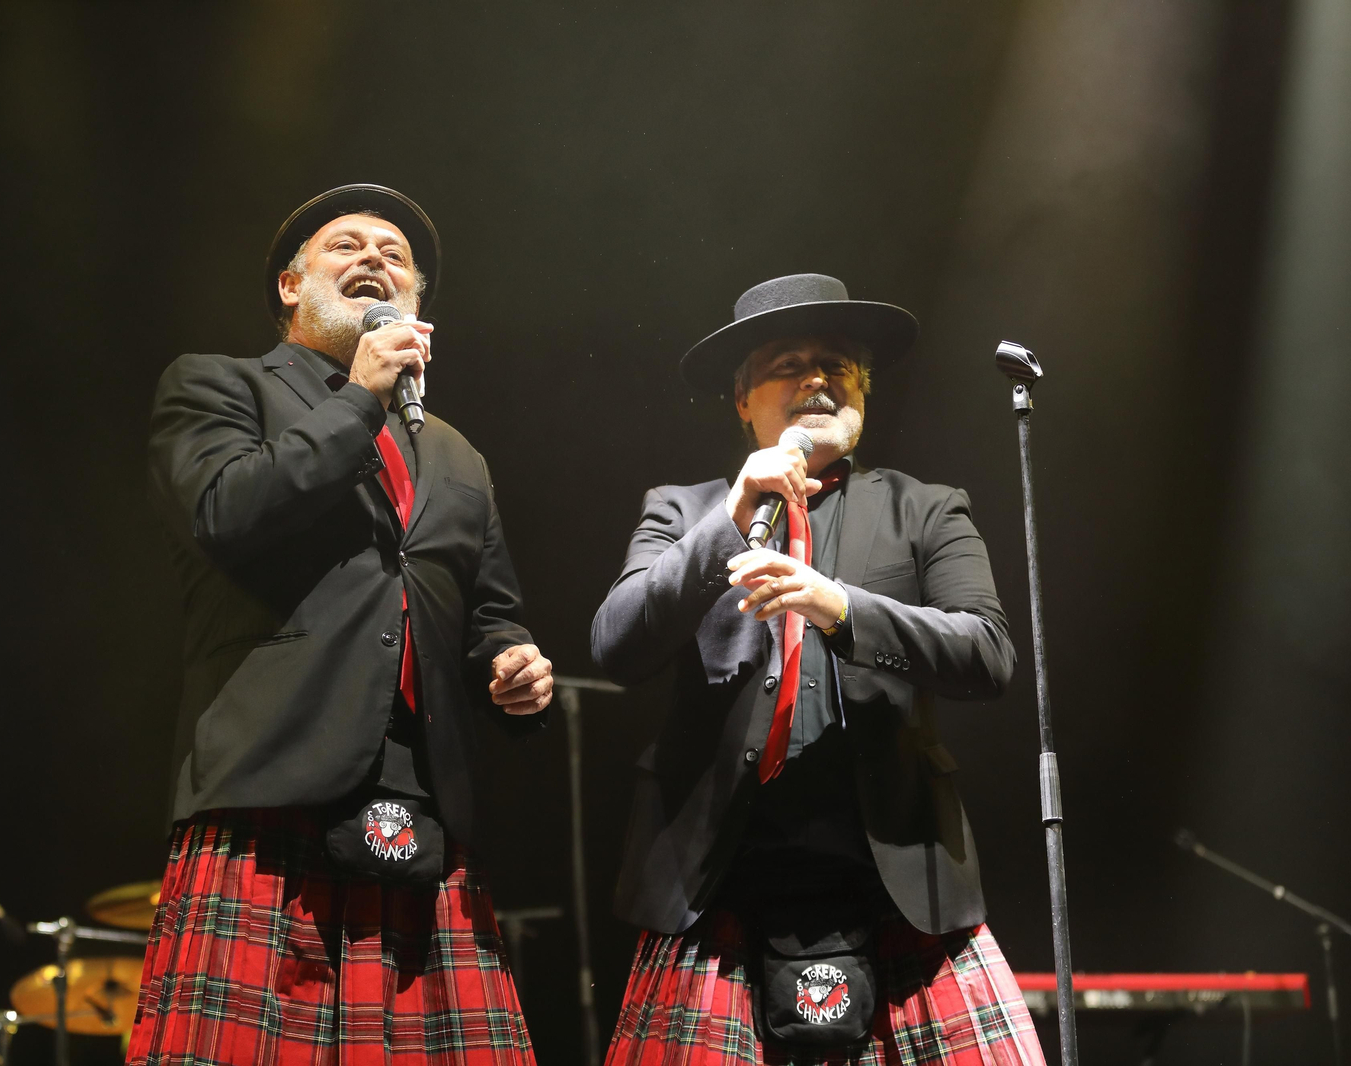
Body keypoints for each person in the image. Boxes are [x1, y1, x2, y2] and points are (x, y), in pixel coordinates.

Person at [129, 184, 553, 1065]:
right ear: (290, 285)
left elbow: (490, 611)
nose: (375, 260)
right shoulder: (217, 385)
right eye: (346, 245)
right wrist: (359, 399)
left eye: (395, 256)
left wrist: (512, 664)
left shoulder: (457, 453)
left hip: (424, 805)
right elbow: (224, 513)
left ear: (419, 304)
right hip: (272, 780)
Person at [593, 274, 1045, 1064]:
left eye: (837, 364)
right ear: (742, 400)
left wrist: (842, 607)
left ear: (862, 393)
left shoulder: (926, 507)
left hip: (898, 880)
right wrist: (729, 522)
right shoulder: (680, 508)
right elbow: (618, 645)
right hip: (715, 887)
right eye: (789, 363)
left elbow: (988, 651)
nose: (816, 379)